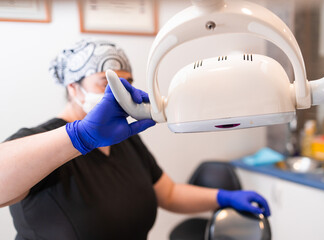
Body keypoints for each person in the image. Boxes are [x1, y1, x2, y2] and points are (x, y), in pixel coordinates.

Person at [0, 39, 270, 240]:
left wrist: (224, 197)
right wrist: (80, 136)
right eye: (106, 84)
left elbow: (169, 194)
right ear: (74, 88)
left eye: (125, 83)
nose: (117, 95)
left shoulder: (123, 139)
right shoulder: (37, 142)